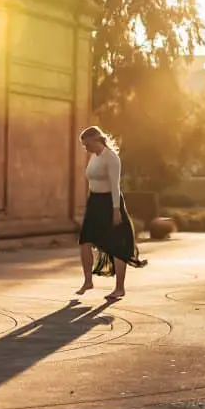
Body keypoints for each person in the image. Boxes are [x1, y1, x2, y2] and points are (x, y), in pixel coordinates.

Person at [77, 125, 147, 301]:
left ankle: (120, 288)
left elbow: (115, 186)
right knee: (84, 241)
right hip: (94, 202)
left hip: (110, 203)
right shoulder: (94, 156)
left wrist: (116, 211)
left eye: (87, 144)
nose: (86, 149)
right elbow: (92, 181)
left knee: (116, 245)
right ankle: (88, 281)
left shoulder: (112, 158)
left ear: (96, 139)